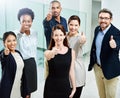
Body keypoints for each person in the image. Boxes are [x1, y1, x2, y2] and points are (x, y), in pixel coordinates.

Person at [88, 8, 120, 98]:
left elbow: (117, 44)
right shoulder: (97, 29)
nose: (103, 20)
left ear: (111, 19)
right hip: (98, 68)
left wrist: (114, 45)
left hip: (110, 69)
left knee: (110, 96)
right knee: (101, 95)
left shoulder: (116, 32)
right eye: (101, 18)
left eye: (106, 18)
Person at [43, 24, 76, 98]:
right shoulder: (48, 52)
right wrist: (53, 52)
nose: (58, 38)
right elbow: (48, 55)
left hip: (65, 87)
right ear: (52, 36)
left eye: (61, 35)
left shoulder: (71, 52)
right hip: (50, 88)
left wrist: (74, 88)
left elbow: (71, 71)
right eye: (56, 35)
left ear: (64, 36)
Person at [14, 8, 37, 98]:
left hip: (32, 63)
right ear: (19, 21)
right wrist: (21, 31)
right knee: (23, 91)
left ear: (32, 21)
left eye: (29, 21)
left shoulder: (34, 33)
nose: (26, 24)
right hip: (22, 64)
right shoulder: (16, 33)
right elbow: (17, 37)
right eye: (23, 21)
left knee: (29, 90)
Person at [0, 31, 24, 98]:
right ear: (4, 43)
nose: (12, 43)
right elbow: (3, 57)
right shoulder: (5, 54)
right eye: (9, 41)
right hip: (8, 89)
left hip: (18, 88)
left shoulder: (18, 53)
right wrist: (5, 54)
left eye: (14, 40)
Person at [67, 15, 86, 98]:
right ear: (68, 24)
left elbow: (82, 41)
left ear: (79, 26)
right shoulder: (64, 36)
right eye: (71, 24)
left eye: (76, 25)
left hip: (77, 72)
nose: (73, 27)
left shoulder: (79, 38)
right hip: (66, 72)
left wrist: (83, 40)